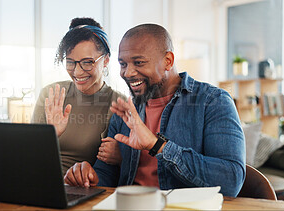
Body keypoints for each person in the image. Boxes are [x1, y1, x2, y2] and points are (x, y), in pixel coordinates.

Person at [64, 23, 246, 197]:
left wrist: (156, 145)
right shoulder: (126, 111)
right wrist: (90, 177)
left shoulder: (213, 102)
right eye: (123, 64)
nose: (127, 73)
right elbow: (106, 174)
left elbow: (231, 181)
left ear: (168, 61)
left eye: (139, 62)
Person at [31, 17, 124, 174]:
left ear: (106, 60)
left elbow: (119, 169)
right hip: (42, 181)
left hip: (85, 188)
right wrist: (49, 135)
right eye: (70, 62)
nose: (77, 72)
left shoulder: (118, 103)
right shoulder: (50, 94)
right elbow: (28, 154)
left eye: (87, 62)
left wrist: (122, 157)